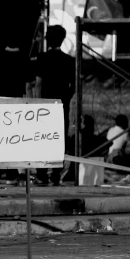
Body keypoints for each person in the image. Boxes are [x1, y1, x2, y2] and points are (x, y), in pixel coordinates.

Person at [0, 42, 34, 186]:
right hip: (17, 105)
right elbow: (28, 86)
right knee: (14, 140)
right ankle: (11, 176)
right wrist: (30, 108)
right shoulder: (24, 58)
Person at [33, 25, 75, 186]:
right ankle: (56, 174)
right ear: (63, 39)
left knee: (42, 140)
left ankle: (41, 174)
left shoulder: (42, 58)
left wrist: (38, 102)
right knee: (59, 140)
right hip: (61, 106)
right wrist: (65, 99)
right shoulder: (70, 61)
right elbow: (73, 87)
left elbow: (38, 83)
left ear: (48, 39)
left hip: (44, 106)